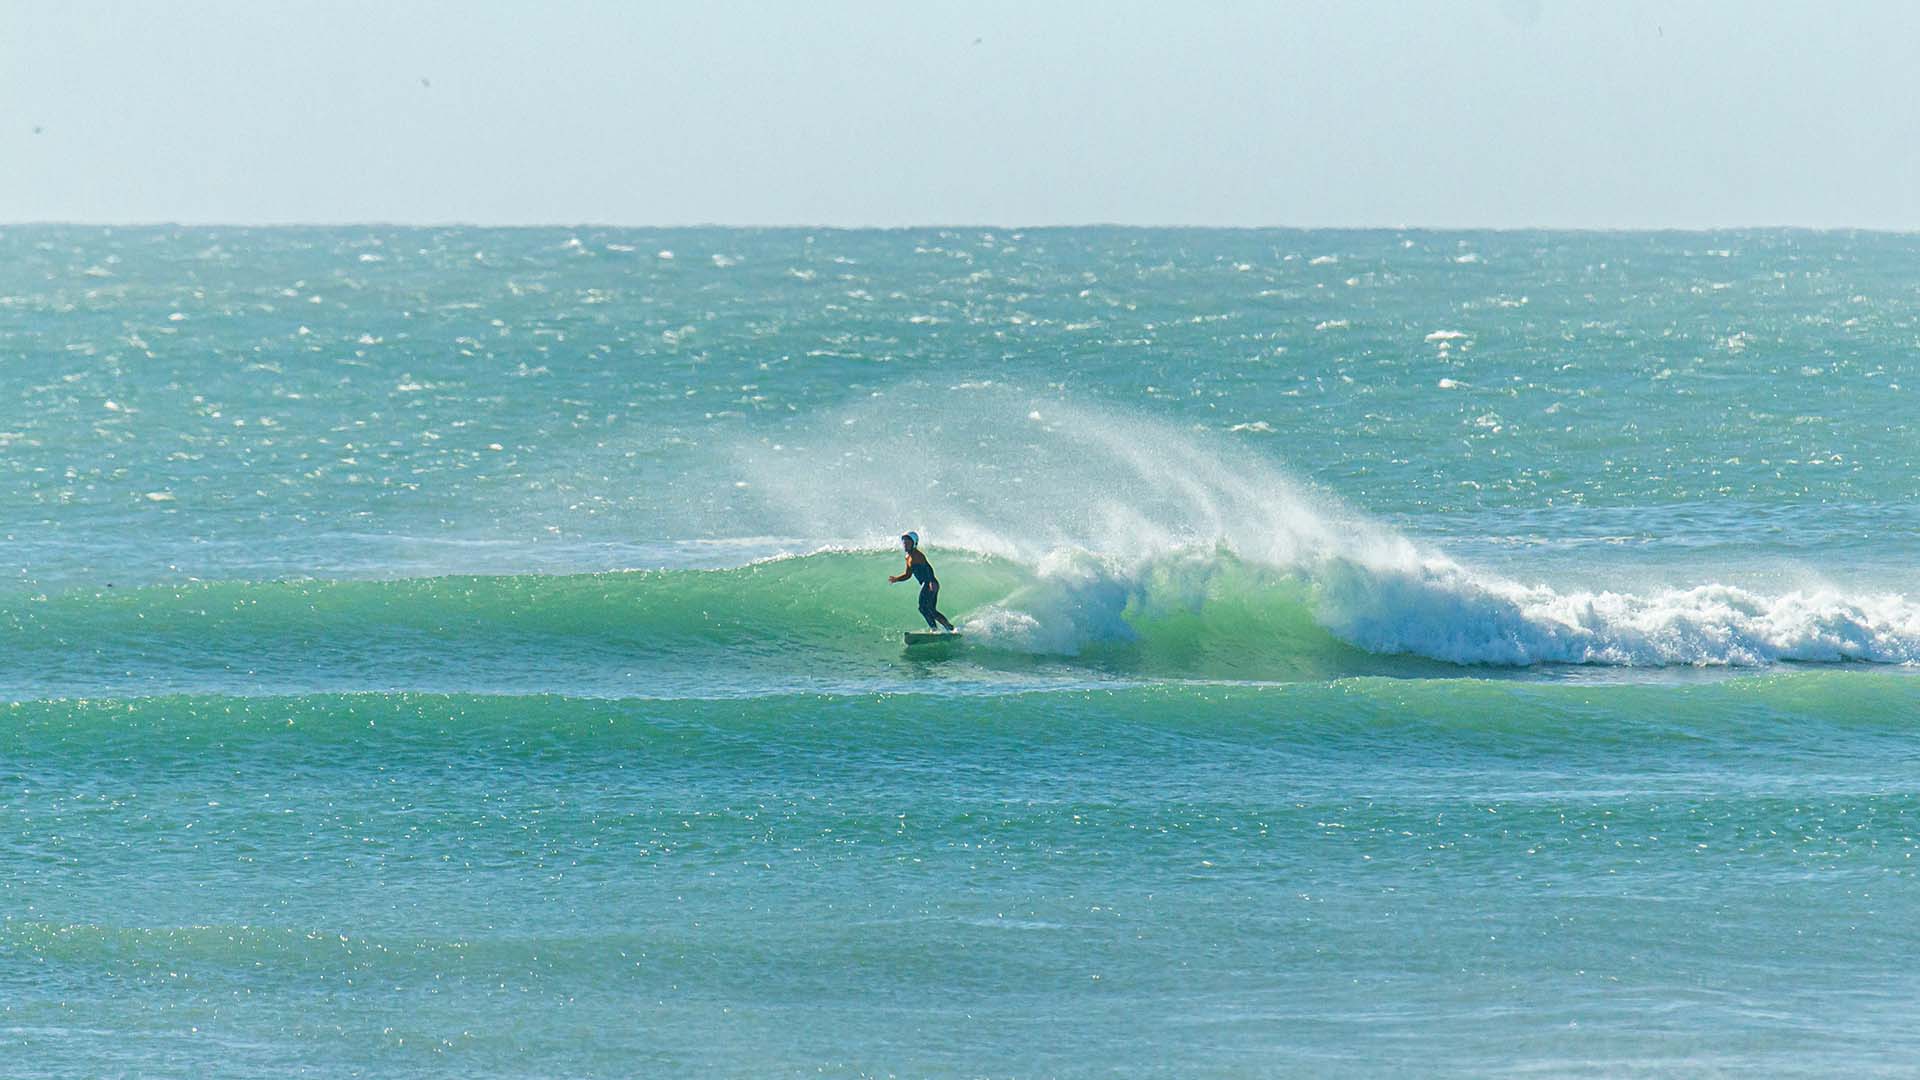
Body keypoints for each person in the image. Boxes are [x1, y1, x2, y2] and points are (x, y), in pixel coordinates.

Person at [888, 531, 955, 631]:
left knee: (924, 608)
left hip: (930, 583)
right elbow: (908, 575)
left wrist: (931, 581)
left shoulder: (917, 555)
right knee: (929, 609)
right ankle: (943, 628)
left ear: (914, 543)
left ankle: (940, 628)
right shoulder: (908, 557)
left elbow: (929, 569)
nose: (905, 544)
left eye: (908, 542)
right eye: (904, 542)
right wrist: (897, 579)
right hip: (927, 583)